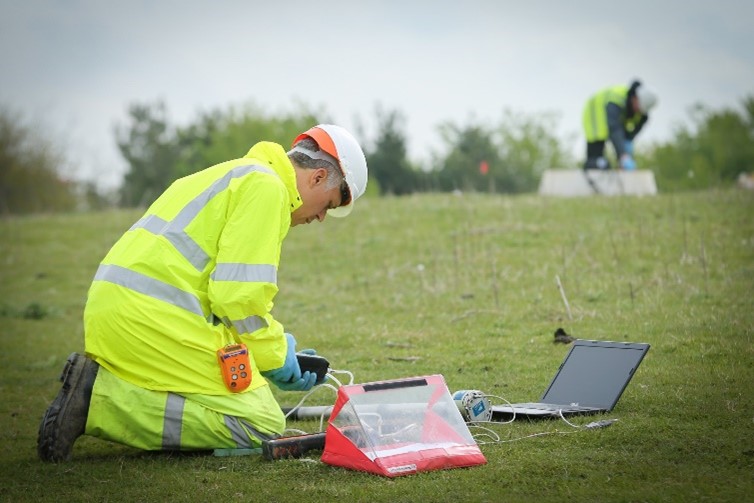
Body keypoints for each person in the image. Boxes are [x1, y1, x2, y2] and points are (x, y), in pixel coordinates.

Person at [37, 124, 368, 462]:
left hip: (121, 310)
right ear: (316, 177)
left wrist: (273, 353)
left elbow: (216, 298)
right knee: (261, 424)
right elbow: (236, 298)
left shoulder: (233, 173)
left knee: (245, 396)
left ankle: (104, 390)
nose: (322, 217)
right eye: (328, 204)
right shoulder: (267, 189)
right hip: (149, 319)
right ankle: (98, 401)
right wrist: (274, 356)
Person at [582, 80, 658, 171]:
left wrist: (626, 144)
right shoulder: (616, 99)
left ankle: (612, 165)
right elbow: (614, 128)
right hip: (595, 112)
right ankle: (595, 164)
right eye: (638, 107)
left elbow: (630, 134)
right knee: (597, 151)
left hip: (616, 119)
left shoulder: (642, 114)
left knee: (623, 145)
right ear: (635, 98)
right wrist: (623, 155)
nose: (638, 111)